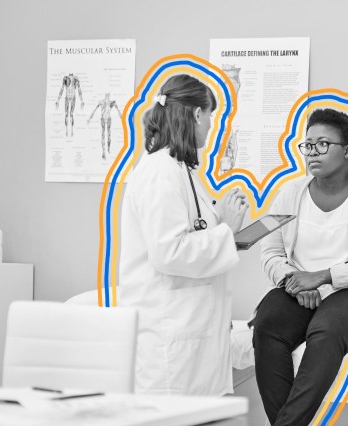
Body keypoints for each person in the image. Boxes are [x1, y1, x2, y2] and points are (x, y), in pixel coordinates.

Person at [253, 108, 348, 426]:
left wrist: (320, 277)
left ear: (347, 150)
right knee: (267, 323)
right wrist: (294, 281)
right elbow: (269, 251)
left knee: (327, 329)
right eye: (307, 145)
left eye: (322, 144)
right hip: (298, 288)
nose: (312, 152)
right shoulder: (288, 192)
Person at [119, 74, 249, 396]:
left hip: (191, 330)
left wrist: (222, 219)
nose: (210, 125)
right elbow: (169, 252)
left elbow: (193, 230)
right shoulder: (159, 172)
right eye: (210, 116)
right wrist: (226, 231)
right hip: (170, 336)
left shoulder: (182, 169)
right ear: (195, 115)